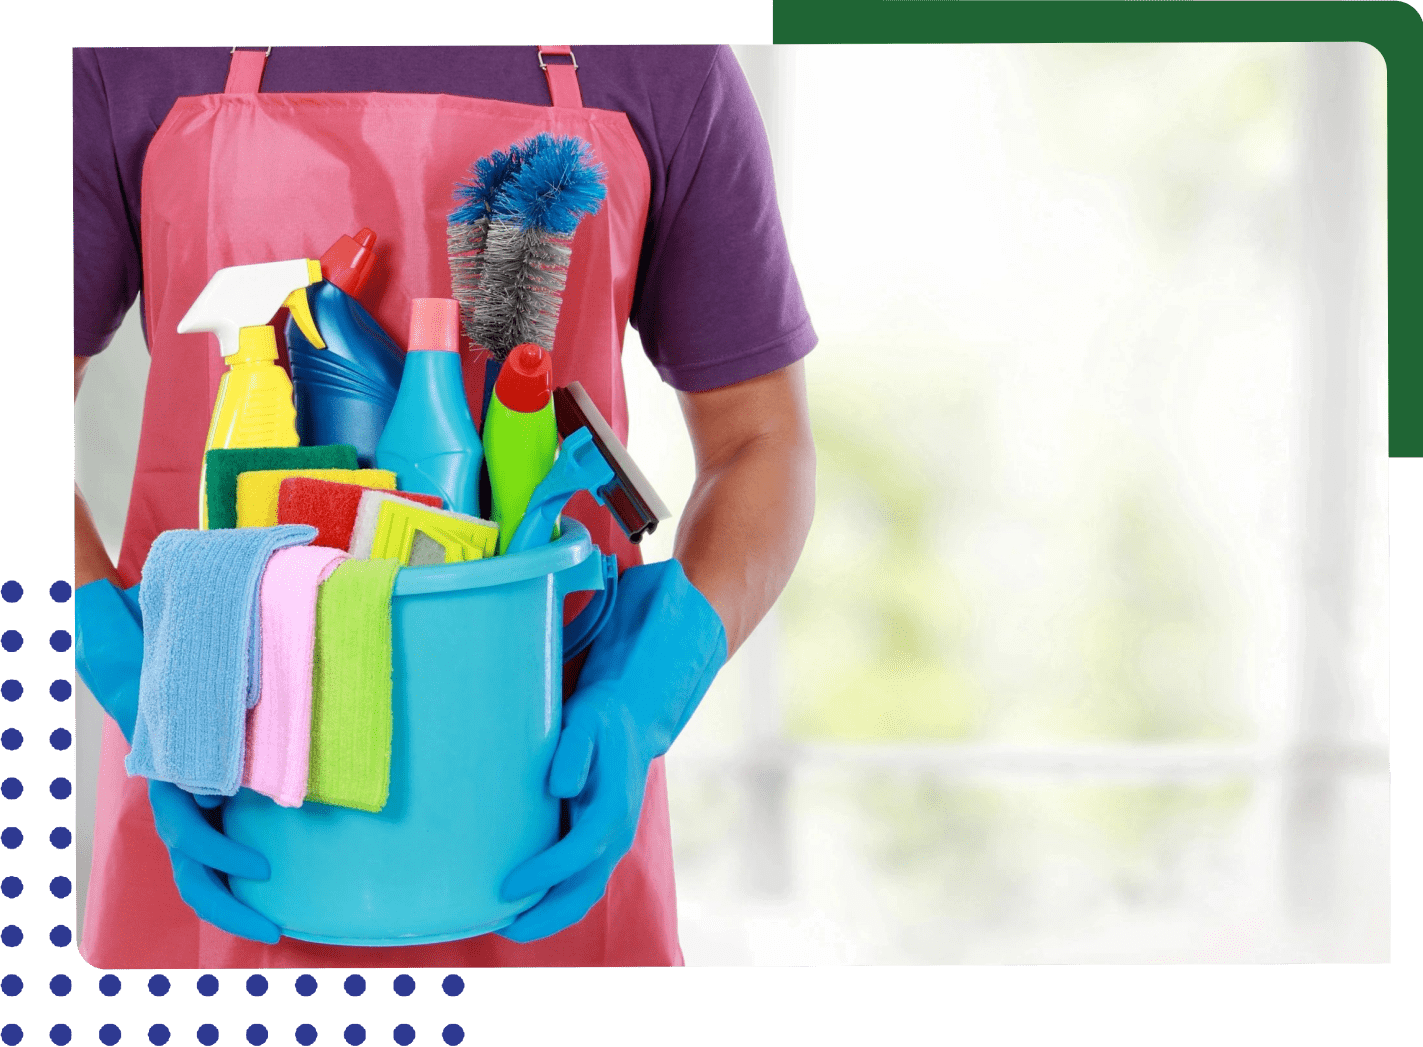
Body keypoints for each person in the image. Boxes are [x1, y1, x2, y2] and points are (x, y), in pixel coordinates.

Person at [72, 44, 816, 968]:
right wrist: (125, 662)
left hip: (546, 772)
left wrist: (652, 684)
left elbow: (761, 440)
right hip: (224, 745)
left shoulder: (662, 54)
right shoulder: (122, 43)